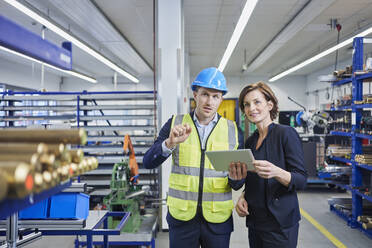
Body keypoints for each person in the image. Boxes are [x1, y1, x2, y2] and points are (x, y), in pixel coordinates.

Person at [143, 67, 245, 248]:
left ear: (221, 98)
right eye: (205, 94)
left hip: (217, 221)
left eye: (215, 96)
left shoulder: (233, 131)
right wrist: (169, 143)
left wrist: (236, 178)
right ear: (195, 94)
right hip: (182, 219)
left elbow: (237, 183)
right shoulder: (176, 123)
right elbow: (148, 162)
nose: (209, 101)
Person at [230, 81, 307, 248]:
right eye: (247, 104)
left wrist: (277, 172)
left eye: (257, 102)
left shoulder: (286, 134)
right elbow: (251, 180)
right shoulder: (250, 142)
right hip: (256, 222)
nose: (252, 108)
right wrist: (243, 196)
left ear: (270, 104)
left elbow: (301, 180)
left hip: (280, 224)